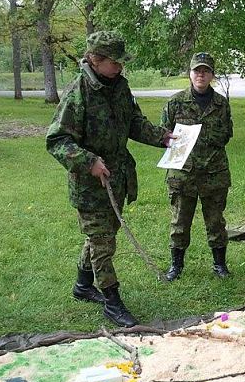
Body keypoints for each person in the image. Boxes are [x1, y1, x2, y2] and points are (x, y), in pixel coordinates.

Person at [46, 31, 173, 327]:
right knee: (103, 243)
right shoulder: (78, 92)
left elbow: (134, 122)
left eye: (121, 62)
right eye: (115, 62)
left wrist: (162, 137)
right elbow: (57, 140)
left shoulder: (119, 86)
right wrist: (88, 161)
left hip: (117, 179)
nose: (120, 67)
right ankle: (112, 302)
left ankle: (82, 286)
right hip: (91, 185)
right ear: (95, 59)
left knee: (100, 237)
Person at [160, 52, 234, 281]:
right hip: (183, 173)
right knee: (180, 222)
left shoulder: (221, 104)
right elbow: (164, 134)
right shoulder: (175, 102)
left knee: (216, 221)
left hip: (214, 172)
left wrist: (201, 135)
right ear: (190, 73)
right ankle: (176, 266)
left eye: (205, 71)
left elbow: (227, 133)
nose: (200, 74)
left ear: (212, 74)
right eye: (196, 70)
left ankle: (220, 265)